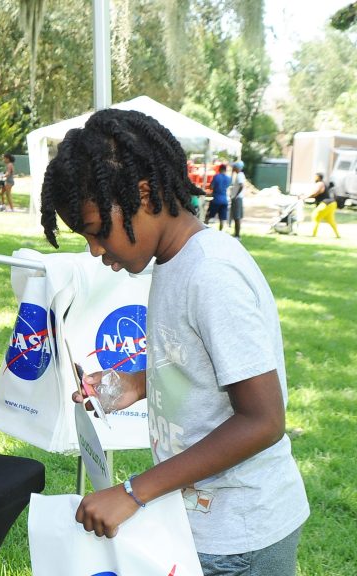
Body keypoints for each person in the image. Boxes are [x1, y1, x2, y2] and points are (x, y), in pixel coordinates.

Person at [40, 109, 308, 574]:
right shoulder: (173, 262)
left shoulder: (211, 273)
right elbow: (202, 365)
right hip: (200, 522)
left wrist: (133, 492)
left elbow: (263, 419)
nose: (96, 251)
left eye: (99, 232)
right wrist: (137, 383)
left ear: (143, 195)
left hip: (241, 534)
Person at [307, 172, 340, 239]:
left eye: (315, 176)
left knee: (315, 215)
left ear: (318, 177)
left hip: (326, 203)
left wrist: (307, 196)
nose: (314, 178)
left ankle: (313, 234)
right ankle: (337, 235)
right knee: (330, 220)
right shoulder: (323, 183)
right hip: (332, 203)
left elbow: (316, 192)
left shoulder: (320, 183)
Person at [204, 163, 229, 231]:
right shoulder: (228, 178)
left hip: (216, 199)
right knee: (222, 219)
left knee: (208, 216)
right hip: (224, 200)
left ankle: (204, 230)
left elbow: (211, 186)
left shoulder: (216, 176)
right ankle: (221, 232)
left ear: (219, 169)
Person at [229, 160, 246, 238]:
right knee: (236, 217)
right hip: (238, 198)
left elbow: (241, 185)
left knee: (237, 217)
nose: (233, 168)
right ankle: (236, 234)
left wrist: (236, 195)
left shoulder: (239, 175)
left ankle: (237, 235)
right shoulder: (240, 175)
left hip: (237, 198)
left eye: (234, 167)